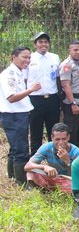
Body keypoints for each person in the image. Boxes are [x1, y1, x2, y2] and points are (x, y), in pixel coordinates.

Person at [0, 47, 41, 186]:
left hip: (20, 114)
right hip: (13, 116)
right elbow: (11, 97)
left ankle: (12, 176)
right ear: (14, 57)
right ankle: (22, 182)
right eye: (24, 57)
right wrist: (31, 90)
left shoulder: (18, 73)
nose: (27, 60)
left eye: (29, 58)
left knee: (15, 146)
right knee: (21, 149)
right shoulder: (9, 74)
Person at [26, 32, 61, 156]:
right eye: (40, 42)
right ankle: (35, 163)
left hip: (52, 99)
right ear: (35, 44)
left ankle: (54, 160)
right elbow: (25, 79)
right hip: (35, 99)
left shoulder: (54, 57)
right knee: (36, 132)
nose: (43, 44)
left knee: (54, 132)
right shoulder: (29, 58)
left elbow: (57, 77)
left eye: (46, 42)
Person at [24, 123, 79, 193]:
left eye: (64, 139)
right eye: (57, 139)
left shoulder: (76, 152)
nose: (60, 142)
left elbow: (77, 178)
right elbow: (27, 166)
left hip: (67, 180)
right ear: (52, 138)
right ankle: (45, 190)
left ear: (68, 137)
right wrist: (44, 167)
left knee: (75, 187)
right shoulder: (47, 147)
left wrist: (68, 162)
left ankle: (56, 191)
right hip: (52, 177)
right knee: (31, 173)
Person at [60, 40, 79, 149]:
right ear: (70, 50)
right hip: (73, 103)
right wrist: (73, 103)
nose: (78, 52)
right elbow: (66, 85)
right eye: (75, 50)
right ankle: (71, 155)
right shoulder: (66, 65)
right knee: (72, 131)